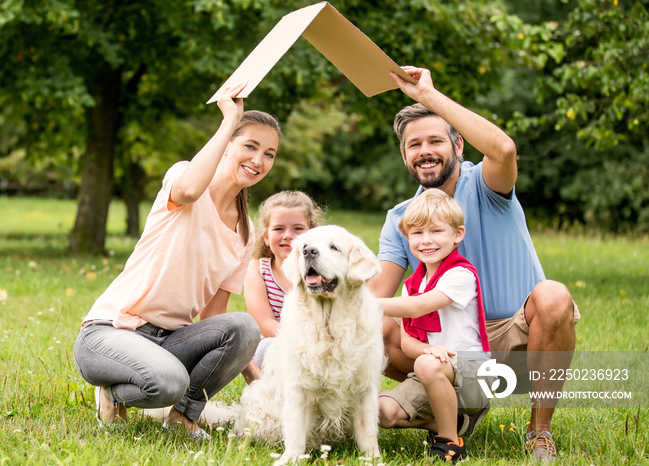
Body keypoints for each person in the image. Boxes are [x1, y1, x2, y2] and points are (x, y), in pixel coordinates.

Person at [371, 66, 579, 462]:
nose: (425, 151)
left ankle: (539, 432)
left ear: (459, 146)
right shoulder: (401, 217)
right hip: (443, 351)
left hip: (516, 340)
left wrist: (427, 96)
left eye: (436, 140)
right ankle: (452, 412)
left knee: (553, 295)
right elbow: (374, 297)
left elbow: (503, 150)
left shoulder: (487, 185)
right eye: (414, 144)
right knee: (376, 328)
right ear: (403, 154)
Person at [72, 83, 281, 439]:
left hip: (170, 341)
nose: (258, 160)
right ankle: (111, 392)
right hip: (110, 333)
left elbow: (214, 317)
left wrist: (257, 381)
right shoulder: (184, 179)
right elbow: (189, 190)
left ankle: (183, 418)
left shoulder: (246, 232)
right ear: (227, 144)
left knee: (245, 326)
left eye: (270, 153)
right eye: (250, 146)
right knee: (168, 383)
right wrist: (229, 120)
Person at [377, 189, 490, 464]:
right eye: (417, 233)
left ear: (457, 234)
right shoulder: (411, 285)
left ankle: (450, 442)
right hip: (433, 372)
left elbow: (418, 307)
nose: (426, 240)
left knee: (425, 364)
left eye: (436, 231)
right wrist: (428, 349)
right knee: (380, 411)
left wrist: (363, 302)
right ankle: (452, 422)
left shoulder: (460, 274)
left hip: (474, 374)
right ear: (407, 238)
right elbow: (407, 343)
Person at [242, 190, 323, 382]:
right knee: (266, 348)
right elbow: (265, 322)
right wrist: (302, 343)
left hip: (321, 347)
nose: (288, 235)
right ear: (266, 237)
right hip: (280, 344)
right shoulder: (258, 269)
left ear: (312, 233)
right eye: (278, 229)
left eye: (297, 229)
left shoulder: (322, 272)